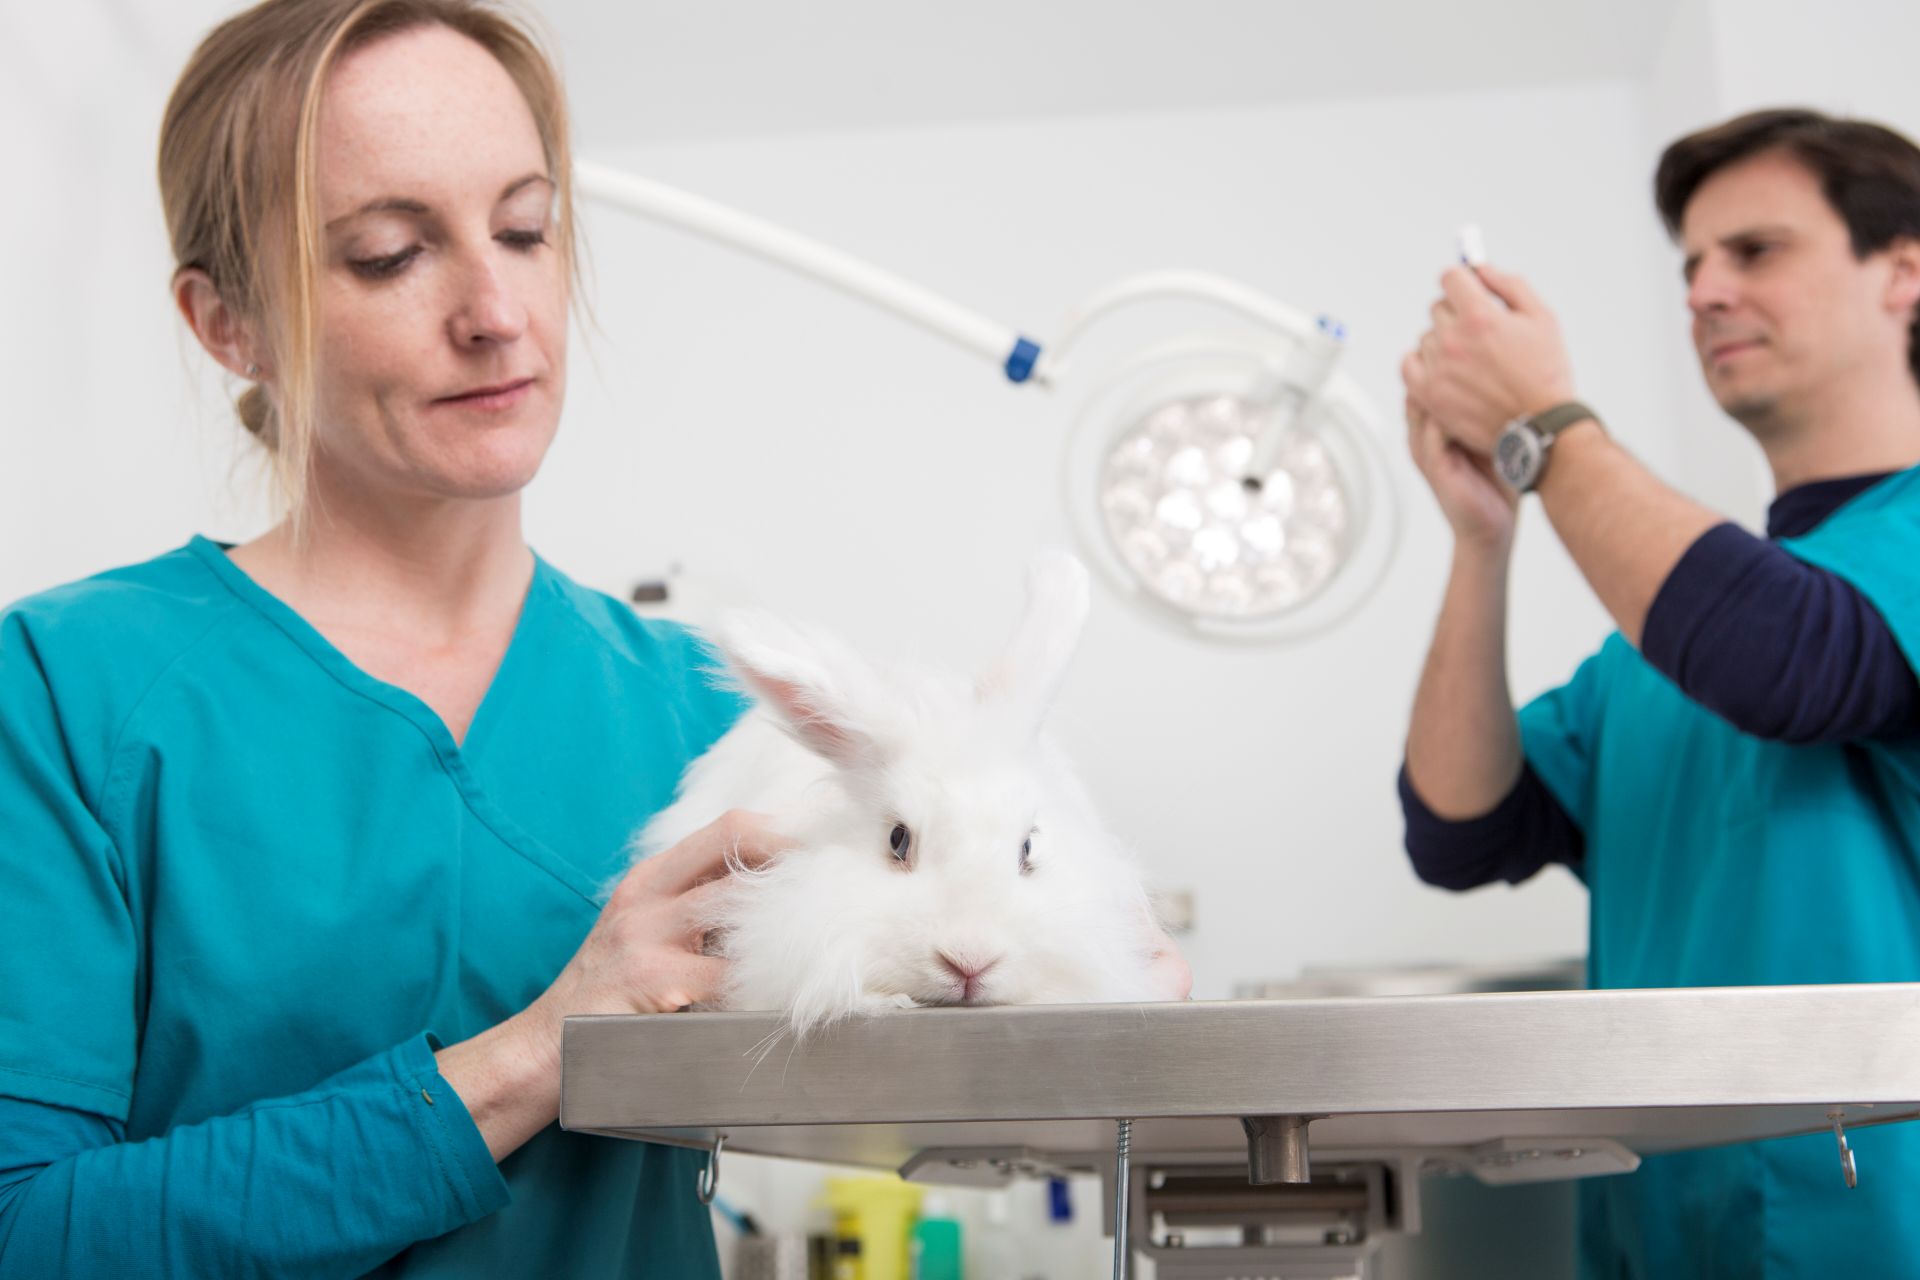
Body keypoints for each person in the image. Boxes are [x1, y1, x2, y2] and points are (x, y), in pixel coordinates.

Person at [0, 2, 788, 1274]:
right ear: (227, 324)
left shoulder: (703, 708)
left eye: (525, 229)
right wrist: (542, 1048)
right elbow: (22, 1229)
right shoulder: (65, 691)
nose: (497, 310)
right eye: (387, 254)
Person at [1399, 108, 1920, 1277]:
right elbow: (1461, 827)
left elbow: (1793, 657)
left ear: (1904, 271)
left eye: (1755, 250)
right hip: (1658, 1241)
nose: (1705, 291)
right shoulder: (1659, 642)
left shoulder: (1826, 587)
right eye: (1691, 265)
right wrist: (1483, 535)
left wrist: (1544, 423)